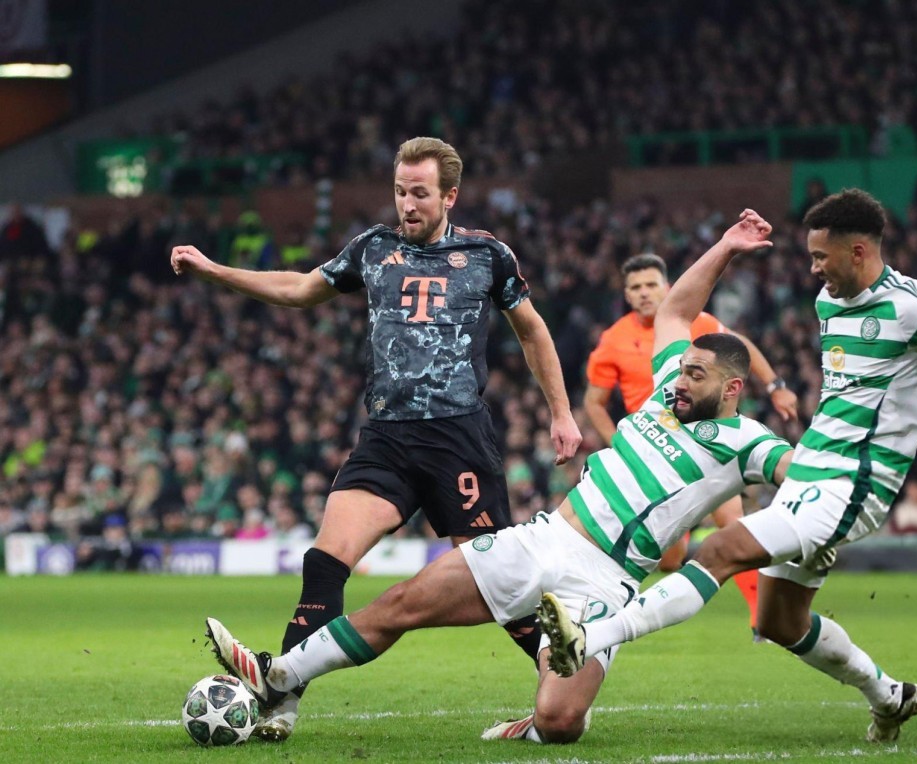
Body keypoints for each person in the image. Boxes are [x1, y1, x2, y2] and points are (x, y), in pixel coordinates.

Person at [538, 189, 917, 743]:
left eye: (821, 256)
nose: (813, 268)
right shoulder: (830, 300)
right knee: (780, 621)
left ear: (859, 251)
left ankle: (591, 638)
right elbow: (687, 316)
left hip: (854, 483)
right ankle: (889, 697)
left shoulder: (915, 308)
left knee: (720, 549)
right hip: (812, 472)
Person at [204, 209, 825, 745]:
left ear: (732, 388)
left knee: (560, 723)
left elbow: (809, 477)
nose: (680, 379)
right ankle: (278, 675)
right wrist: (726, 247)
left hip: (605, 581)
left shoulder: (752, 443)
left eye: (695, 374)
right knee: (401, 603)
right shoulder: (666, 385)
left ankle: (535, 715)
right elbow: (677, 309)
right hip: (547, 536)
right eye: (682, 368)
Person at [171, 136, 582, 740]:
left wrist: (561, 413)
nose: (407, 204)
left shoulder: (487, 256)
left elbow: (532, 331)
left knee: (501, 586)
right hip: (387, 436)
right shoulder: (373, 248)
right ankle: (282, 701)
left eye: (420, 193)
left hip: (458, 442)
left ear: (449, 196)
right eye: (399, 192)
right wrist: (214, 270)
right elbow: (300, 289)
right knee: (325, 561)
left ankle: (568, 683)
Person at [584, 253, 799, 629]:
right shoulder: (613, 340)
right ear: (626, 294)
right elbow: (593, 402)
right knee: (669, 559)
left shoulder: (696, 324)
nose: (644, 293)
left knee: (731, 522)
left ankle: (761, 619)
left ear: (666, 287)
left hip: (706, 442)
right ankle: (675, 547)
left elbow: (739, 347)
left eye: (651, 285)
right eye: (636, 287)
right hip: (654, 449)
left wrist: (775, 386)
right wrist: (619, 442)